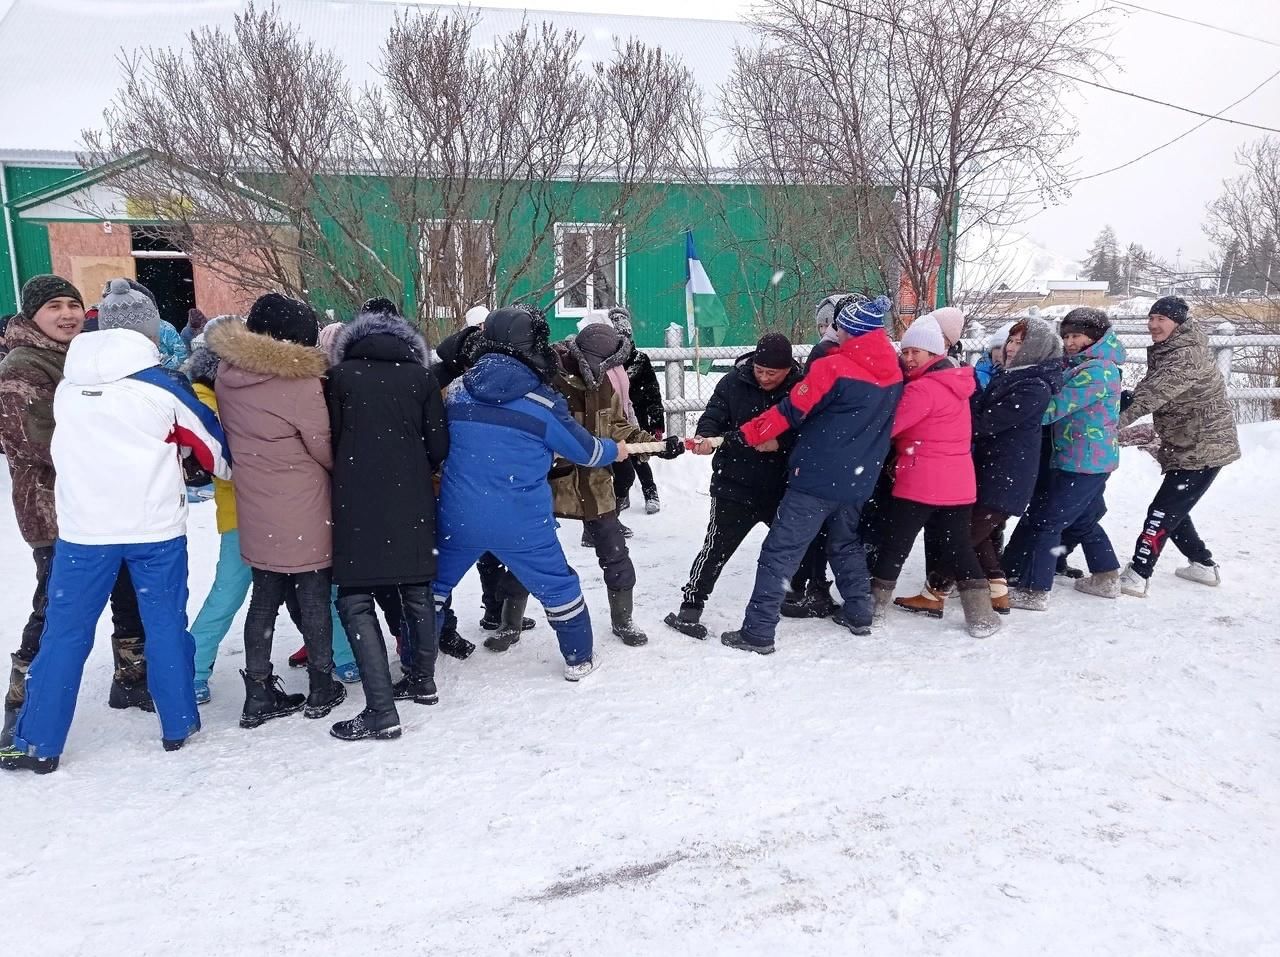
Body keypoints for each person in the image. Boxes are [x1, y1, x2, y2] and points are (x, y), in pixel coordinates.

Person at [0, 323, 231, 773]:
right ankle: (178, 724)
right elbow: (214, 450)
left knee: (64, 633)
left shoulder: (69, 386)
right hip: (155, 529)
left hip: (84, 532)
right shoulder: (161, 386)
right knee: (164, 624)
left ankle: (38, 741)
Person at [0, 276, 156, 748]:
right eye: (54, 307)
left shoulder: (81, 356)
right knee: (55, 599)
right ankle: (23, 694)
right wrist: (112, 445)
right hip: (54, 507)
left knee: (127, 586)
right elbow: (30, 437)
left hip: (102, 499)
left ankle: (131, 677)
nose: (67, 314)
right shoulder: (22, 365)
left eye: (73, 304)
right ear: (32, 315)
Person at [432, 305, 627, 681]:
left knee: (433, 589)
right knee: (559, 587)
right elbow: (585, 451)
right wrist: (613, 450)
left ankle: (416, 664)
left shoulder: (455, 394)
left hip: (458, 516)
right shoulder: (543, 402)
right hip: (522, 522)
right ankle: (578, 658)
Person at [720, 295, 903, 654]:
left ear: (848, 331)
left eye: (839, 327)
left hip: (816, 479)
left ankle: (757, 631)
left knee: (780, 553)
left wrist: (745, 435)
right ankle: (859, 612)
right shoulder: (894, 371)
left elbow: (789, 411)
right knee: (845, 542)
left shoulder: (833, 369)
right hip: (859, 480)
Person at [206, 293, 347, 727]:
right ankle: (323, 686)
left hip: (254, 503)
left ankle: (258, 691)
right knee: (314, 597)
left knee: (263, 599)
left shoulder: (228, 374)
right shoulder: (299, 382)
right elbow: (323, 446)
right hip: (303, 503)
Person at [327, 307, 448, 741]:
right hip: (411, 495)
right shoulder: (421, 378)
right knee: (417, 589)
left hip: (356, 499)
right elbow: (439, 445)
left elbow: (332, 442)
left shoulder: (340, 379)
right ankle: (424, 681)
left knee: (356, 599)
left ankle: (381, 710)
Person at [895, 315, 1063, 618]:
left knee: (964, 537)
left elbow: (987, 422)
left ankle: (935, 592)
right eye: (1010, 341)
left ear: (1035, 347)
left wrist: (949, 418)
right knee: (978, 534)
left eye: (1019, 342)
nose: (1011, 348)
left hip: (1008, 473)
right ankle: (998, 592)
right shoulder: (1012, 375)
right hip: (989, 468)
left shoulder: (1034, 385)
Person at [547, 321, 684, 648]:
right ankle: (509, 619)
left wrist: (654, 445)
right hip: (551, 487)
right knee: (533, 555)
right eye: (609, 364)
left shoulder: (603, 385)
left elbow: (619, 427)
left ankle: (623, 620)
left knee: (616, 553)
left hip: (595, 485)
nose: (614, 372)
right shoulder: (549, 384)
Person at [865, 315, 1002, 638]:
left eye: (917, 352)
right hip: (957, 484)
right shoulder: (955, 382)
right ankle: (981, 615)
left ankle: (872, 608)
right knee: (958, 547)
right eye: (906, 351)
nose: (909, 358)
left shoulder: (923, 389)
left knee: (895, 544)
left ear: (934, 354)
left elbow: (891, 427)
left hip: (921, 481)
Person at [665, 332, 802, 639]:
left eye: (772, 373)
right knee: (716, 547)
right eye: (760, 370)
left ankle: (796, 593)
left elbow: (808, 434)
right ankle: (691, 605)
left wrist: (780, 443)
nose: (765, 378)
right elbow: (713, 416)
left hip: (780, 486)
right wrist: (706, 437)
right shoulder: (732, 383)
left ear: (787, 369)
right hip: (733, 484)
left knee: (791, 545)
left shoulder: (799, 391)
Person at [1116, 296, 1240, 596]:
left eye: (1161, 319)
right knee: (1174, 509)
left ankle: (1138, 573)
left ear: (1179, 323)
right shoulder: (1170, 348)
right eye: (1151, 318)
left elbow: (1151, 396)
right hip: (1188, 443)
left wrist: (1107, 424)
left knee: (1162, 511)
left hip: (1204, 447)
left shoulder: (1185, 356)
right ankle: (1203, 565)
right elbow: (1148, 389)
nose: (1153, 324)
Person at [1005, 308, 1126, 609]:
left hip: (1083, 461)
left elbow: (1056, 407)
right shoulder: (1082, 365)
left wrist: (1020, 406)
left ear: (1094, 337)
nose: (1070, 342)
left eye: (1077, 336)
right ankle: (1107, 575)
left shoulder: (1097, 371)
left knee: (1048, 521)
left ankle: (1034, 590)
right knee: (1084, 518)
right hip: (1086, 458)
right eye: (1066, 336)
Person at [429, 305, 535, 651]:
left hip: (475, 476)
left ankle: (494, 610)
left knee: (488, 553)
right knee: (446, 563)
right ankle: (444, 629)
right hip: (450, 479)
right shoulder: (444, 378)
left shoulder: (476, 372)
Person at [781, 293, 858, 618]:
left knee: (818, 528)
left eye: (829, 322)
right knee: (824, 529)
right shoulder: (830, 353)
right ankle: (811, 586)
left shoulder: (831, 352)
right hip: (838, 455)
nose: (826, 328)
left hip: (829, 454)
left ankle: (809, 586)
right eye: (823, 324)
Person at [607, 307, 665, 515]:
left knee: (639, 455)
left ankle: (651, 492)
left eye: (626, 336)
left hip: (637, 417)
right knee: (618, 458)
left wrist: (657, 422)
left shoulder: (640, 360)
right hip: (613, 417)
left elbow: (653, 393)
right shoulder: (607, 362)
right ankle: (622, 495)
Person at [974, 320, 1016, 390]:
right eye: (997, 348)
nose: (1000, 353)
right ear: (991, 351)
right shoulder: (979, 376)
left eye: (1005, 348)